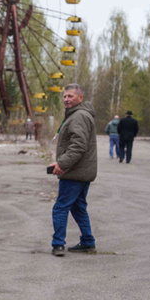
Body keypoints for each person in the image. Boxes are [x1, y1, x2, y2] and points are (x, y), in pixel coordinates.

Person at [50, 84, 97, 256]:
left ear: (80, 98)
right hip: (81, 171)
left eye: (70, 96)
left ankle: (58, 244)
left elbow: (78, 146)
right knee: (78, 208)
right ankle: (88, 242)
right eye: (65, 96)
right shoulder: (79, 115)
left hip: (75, 172)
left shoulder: (79, 116)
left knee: (60, 208)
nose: (67, 100)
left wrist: (62, 164)